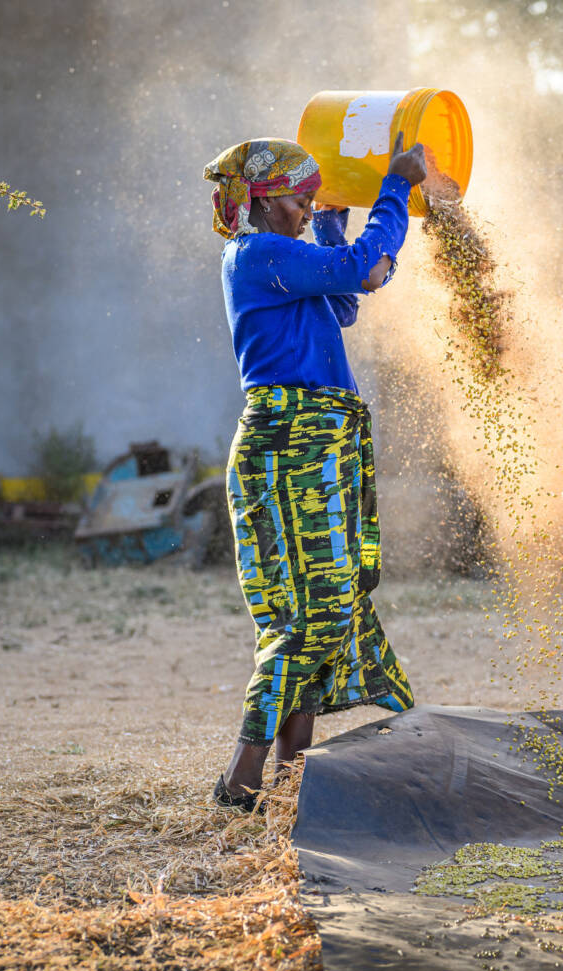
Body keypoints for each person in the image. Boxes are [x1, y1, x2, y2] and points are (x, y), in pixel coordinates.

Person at [202, 133, 428, 810]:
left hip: (317, 440)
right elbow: (362, 269)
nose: (305, 209)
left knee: (330, 605)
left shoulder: (281, 257)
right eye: (301, 200)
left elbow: (345, 300)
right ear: (267, 203)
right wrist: (395, 187)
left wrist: (334, 214)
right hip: (289, 444)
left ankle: (291, 780)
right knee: (309, 616)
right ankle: (241, 783)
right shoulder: (257, 254)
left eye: (310, 201)